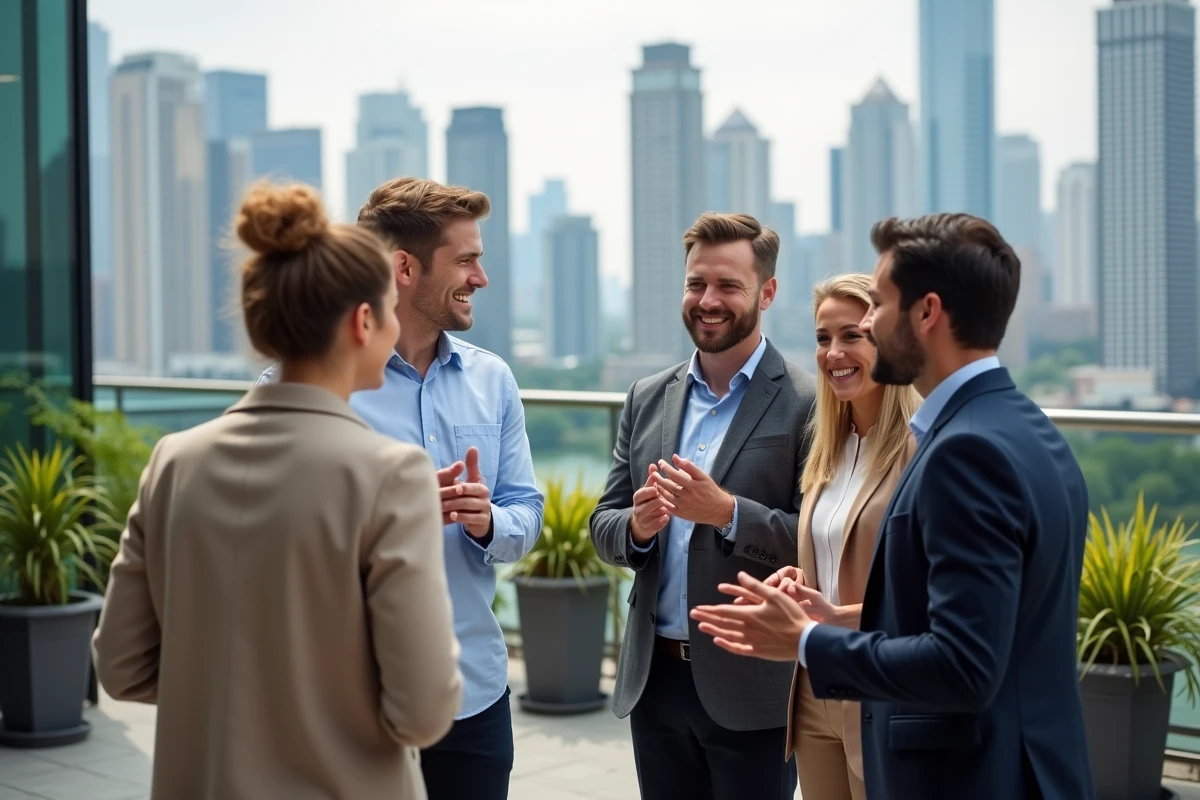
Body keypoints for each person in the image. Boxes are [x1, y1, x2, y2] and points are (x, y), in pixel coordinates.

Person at [690, 213, 1094, 800]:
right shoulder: (1027, 427)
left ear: (926, 313)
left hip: (974, 774)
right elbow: (975, 623)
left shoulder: (964, 452)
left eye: (877, 305)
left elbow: (963, 665)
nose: (869, 322)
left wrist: (806, 641)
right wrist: (831, 616)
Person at [92, 183, 462, 800]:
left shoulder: (173, 462)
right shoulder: (390, 476)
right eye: (389, 310)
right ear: (363, 321)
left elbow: (121, 667)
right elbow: (424, 710)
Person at [257, 176, 542, 800]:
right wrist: (387, 514)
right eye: (466, 260)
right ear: (404, 267)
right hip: (350, 700)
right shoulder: (308, 383)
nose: (481, 278)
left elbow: (527, 511)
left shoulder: (493, 381)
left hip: (472, 692)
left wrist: (487, 520)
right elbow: (276, 536)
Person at [590, 212, 817, 800]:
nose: (707, 300)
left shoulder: (808, 403)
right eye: (696, 284)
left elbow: (818, 544)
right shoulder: (646, 397)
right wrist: (637, 528)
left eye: (727, 286)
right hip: (655, 682)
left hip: (755, 689)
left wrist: (726, 512)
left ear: (766, 292)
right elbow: (603, 525)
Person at [775, 273, 921, 800]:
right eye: (822, 338)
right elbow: (836, 556)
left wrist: (839, 615)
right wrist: (800, 582)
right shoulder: (827, 448)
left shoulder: (922, 451)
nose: (834, 352)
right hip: (814, 686)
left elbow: (928, 597)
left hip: (883, 691)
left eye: (852, 335)